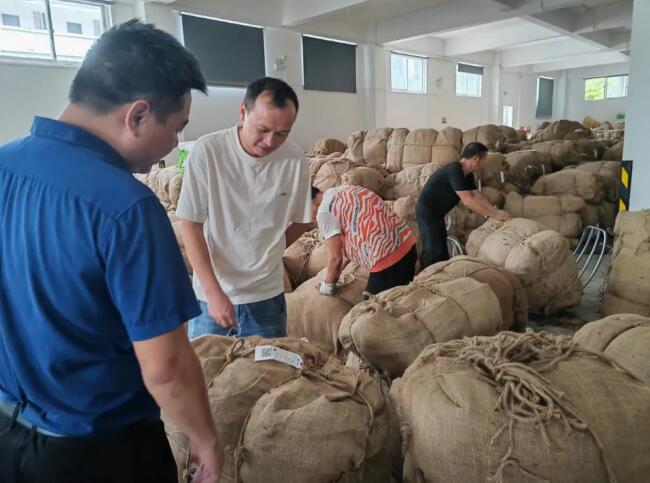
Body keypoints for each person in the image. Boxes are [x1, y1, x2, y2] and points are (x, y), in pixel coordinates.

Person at [0, 20, 224, 483]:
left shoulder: (4, 166)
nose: (175, 145)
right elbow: (166, 368)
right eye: (177, 128)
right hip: (98, 453)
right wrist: (203, 437)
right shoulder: (127, 208)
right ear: (137, 115)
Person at [178, 77, 312, 340]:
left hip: (267, 298)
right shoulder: (209, 151)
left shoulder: (294, 159)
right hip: (211, 299)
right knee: (208, 366)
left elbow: (302, 220)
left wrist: (269, 250)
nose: (270, 141)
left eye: (282, 134)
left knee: (269, 366)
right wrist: (213, 291)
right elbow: (190, 225)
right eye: (263, 129)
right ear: (243, 112)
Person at [416, 141, 510, 269]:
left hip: (438, 214)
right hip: (427, 212)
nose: (484, 163)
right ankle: (427, 277)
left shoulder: (467, 174)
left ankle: (442, 275)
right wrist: (494, 214)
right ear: (476, 159)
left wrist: (493, 211)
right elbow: (468, 200)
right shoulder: (455, 170)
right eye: (484, 159)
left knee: (441, 248)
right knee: (433, 250)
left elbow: (476, 195)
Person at [312, 185, 417, 296]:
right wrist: (336, 275)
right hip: (408, 245)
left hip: (389, 261)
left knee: (372, 305)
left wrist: (327, 285)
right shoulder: (343, 190)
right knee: (400, 298)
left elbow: (335, 258)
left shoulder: (324, 212)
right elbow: (348, 248)